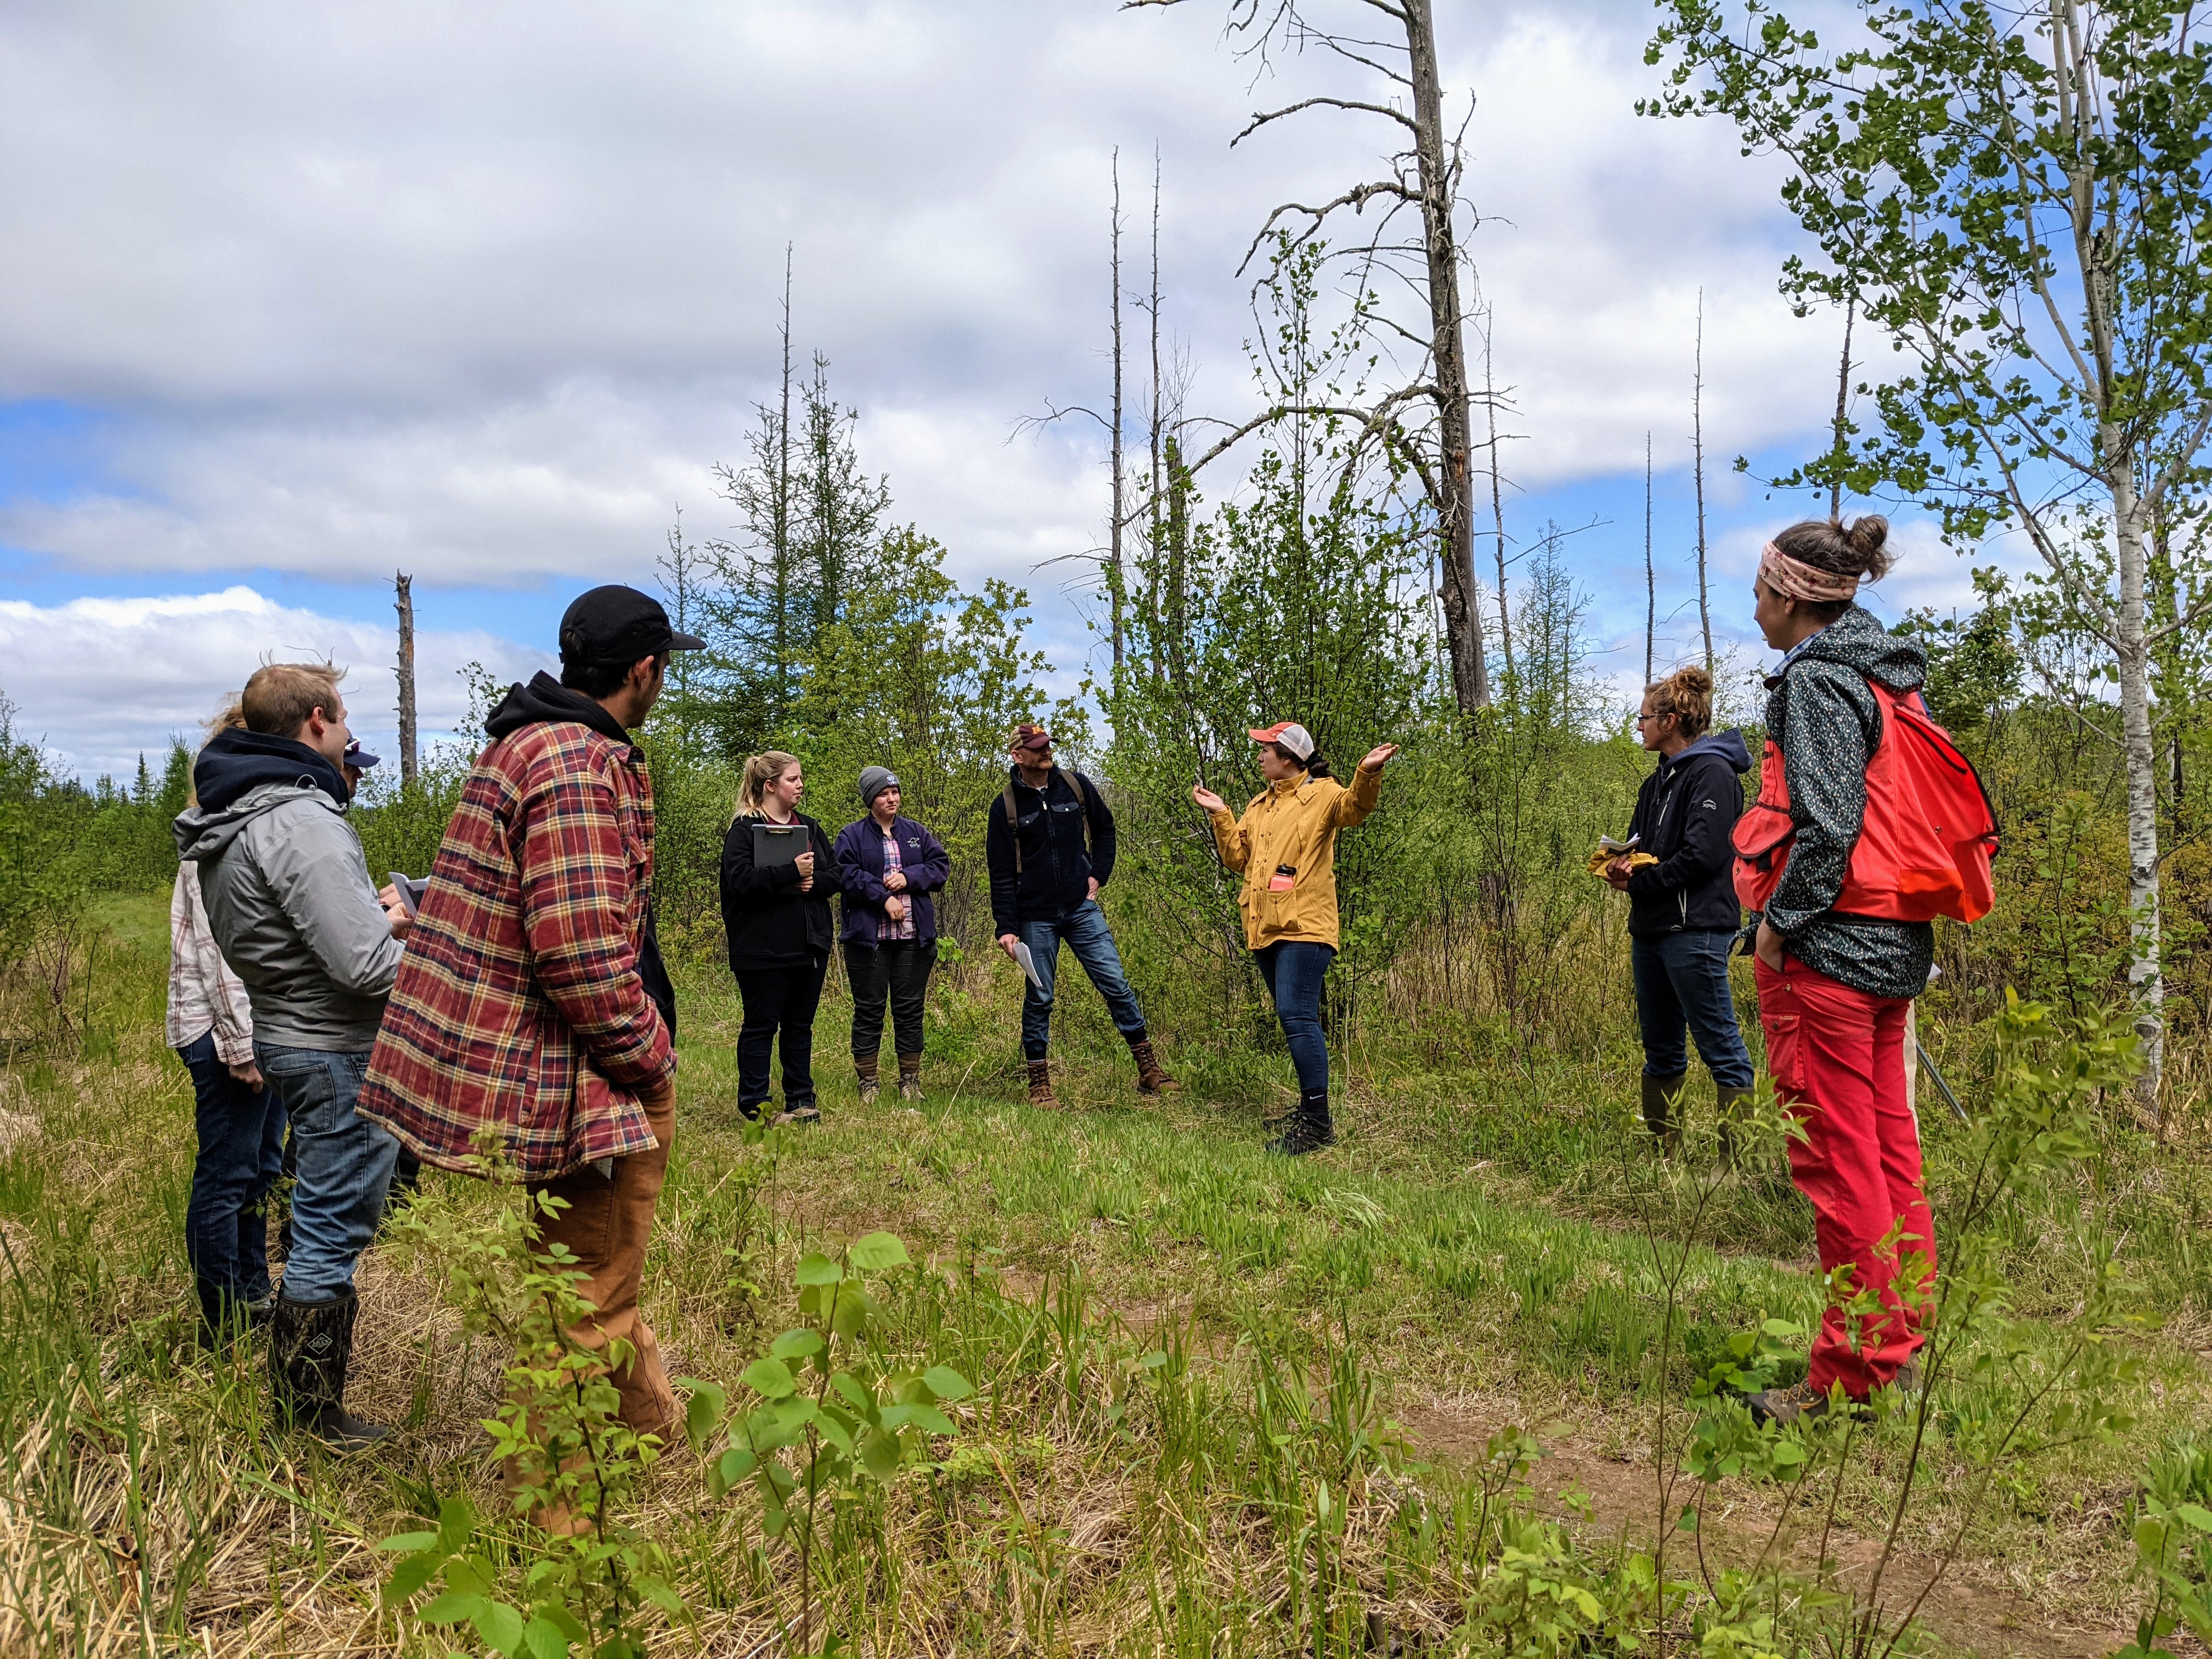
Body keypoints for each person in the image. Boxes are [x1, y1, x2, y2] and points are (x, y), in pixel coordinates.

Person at [358, 585, 700, 1474]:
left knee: (594, 1274)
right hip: (592, 1070)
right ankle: (551, 1516)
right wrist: (648, 1055)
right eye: (663, 664)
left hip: (568, 1063)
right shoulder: (579, 762)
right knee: (585, 1295)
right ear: (643, 669)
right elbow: (578, 948)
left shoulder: (524, 743)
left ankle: (656, 1433)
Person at [173, 662, 412, 1446]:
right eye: (343, 720)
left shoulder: (233, 814)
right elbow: (366, 966)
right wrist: (442, 960)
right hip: (334, 1047)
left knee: (315, 1214)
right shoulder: (301, 821)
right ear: (316, 719)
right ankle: (309, 1420)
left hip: (288, 1033)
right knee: (328, 1228)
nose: (348, 734)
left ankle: (300, 1408)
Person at [1735, 516, 1936, 1425]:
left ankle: (1850, 1372)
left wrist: (1777, 929)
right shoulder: (1890, 674)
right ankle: (1901, 1328)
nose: (1754, 604)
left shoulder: (1817, 682)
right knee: (1888, 1143)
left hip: (1829, 951)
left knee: (1838, 1158)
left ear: (1792, 597)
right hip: (1892, 942)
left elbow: (1825, 827)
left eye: (1760, 590)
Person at [1193, 723, 1398, 1155]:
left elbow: (1355, 808)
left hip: (1307, 926)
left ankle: (1318, 1126)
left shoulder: (1324, 794)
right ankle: (1310, 1109)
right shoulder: (1260, 805)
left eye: (1265, 749)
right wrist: (1221, 814)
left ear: (1287, 756)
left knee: (1297, 1016)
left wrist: (1368, 772)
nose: (1260, 755)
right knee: (1294, 1020)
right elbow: (1237, 860)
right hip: (1265, 926)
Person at [167, 699, 284, 1346]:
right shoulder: (216, 830)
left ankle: (251, 1293)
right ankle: (224, 1322)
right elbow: (222, 952)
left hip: (257, 1029)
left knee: (261, 1169)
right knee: (227, 1175)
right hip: (222, 1035)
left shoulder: (254, 822)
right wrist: (242, 1047)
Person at [1604, 667, 1756, 1158]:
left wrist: (1643, 880)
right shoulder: (1655, 785)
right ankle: (1664, 1159)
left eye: (1645, 717)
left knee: (1721, 1050)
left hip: (1696, 932)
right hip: (1650, 929)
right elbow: (1639, 847)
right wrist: (1620, 867)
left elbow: (1704, 856)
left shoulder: (1713, 772)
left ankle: (1737, 1168)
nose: (1639, 726)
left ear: (1670, 721)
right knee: (1661, 1050)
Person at [986, 723, 1177, 1108]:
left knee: (1116, 984)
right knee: (1040, 997)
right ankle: (1040, 1085)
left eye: (1047, 745)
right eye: (1037, 748)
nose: (1046, 753)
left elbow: (1106, 831)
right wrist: (1006, 928)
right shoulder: (1005, 805)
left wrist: (1098, 874)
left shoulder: (1076, 785)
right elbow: (1001, 872)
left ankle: (1149, 1070)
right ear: (1018, 756)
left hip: (1080, 908)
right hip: (1035, 916)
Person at [720, 752, 841, 1125]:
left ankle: (801, 1100)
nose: (800, 785)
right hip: (761, 948)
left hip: (808, 944)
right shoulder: (744, 830)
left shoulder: (811, 828)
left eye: (801, 778)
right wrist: (789, 872)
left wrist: (811, 881)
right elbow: (739, 880)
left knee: (799, 1026)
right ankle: (757, 1107)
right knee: (761, 1026)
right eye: (792, 779)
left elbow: (835, 875)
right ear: (770, 785)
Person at [832, 767, 950, 1102]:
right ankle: (868, 1081)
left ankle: (910, 1081)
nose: (892, 798)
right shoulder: (852, 836)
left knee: (910, 1009)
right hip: (869, 941)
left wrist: (908, 878)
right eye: (884, 794)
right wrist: (882, 897)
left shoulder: (916, 832)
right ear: (871, 799)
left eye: (895, 792)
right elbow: (846, 874)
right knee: (869, 1009)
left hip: (914, 938)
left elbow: (940, 866)